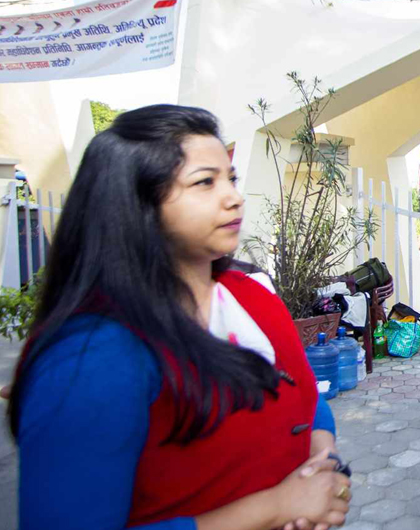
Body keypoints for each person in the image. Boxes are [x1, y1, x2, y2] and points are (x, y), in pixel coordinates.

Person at [7, 105, 352, 530]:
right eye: (204, 182)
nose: (233, 197)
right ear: (137, 204)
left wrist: (323, 463)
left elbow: (305, 397)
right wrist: (276, 507)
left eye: (231, 178)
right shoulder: (90, 356)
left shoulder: (253, 296)